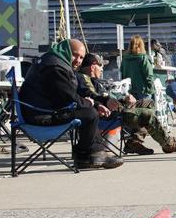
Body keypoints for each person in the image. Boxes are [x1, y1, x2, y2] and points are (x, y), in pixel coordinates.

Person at [19, 39, 122, 170]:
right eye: (75, 54)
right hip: (40, 117)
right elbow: (68, 97)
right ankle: (87, 156)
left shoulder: (53, 62)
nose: (78, 60)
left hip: (42, 112)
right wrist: (89, 104)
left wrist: (95, 104)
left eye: (81, 57)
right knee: (90, 114)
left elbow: (71, 94)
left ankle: (92, 153)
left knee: (89, 111)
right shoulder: (54, 68)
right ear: (65, 51)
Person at [77, 54, 176, 155]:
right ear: (92, 66)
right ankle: (168, 144)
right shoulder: (83, 79)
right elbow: (91, 96)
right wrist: (108, 102)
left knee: (148, 103)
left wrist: (124, 99)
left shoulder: (93, 80)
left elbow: (103, 97)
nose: (102, 69)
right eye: (100, 66)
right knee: (147, 114)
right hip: (107, 116)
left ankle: (134, 142)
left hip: (115, 109)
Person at [121, 36, 157, 102]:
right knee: (145, 111)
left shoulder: (124, 59)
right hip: (143, 90)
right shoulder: (144, 58)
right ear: (141, 45)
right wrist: (151, 89)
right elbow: (149, 75)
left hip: (130, 91)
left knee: (132, 111)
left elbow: (122, 75)